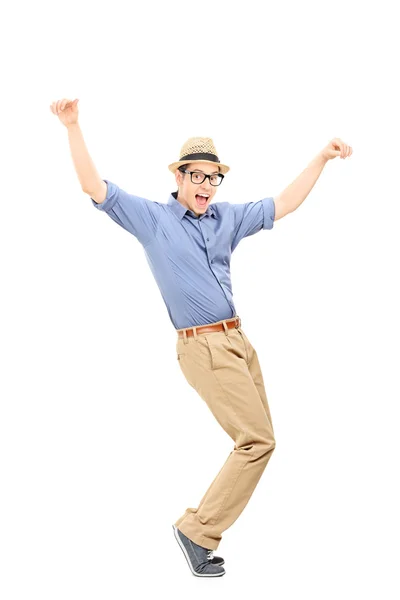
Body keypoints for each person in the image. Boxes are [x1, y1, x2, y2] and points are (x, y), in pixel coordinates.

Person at [50, 97, 353, 578]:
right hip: (202, 346)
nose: (206, 185)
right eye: (197, 176)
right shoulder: (153, 220)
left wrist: (321, 157)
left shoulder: (227, 218)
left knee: (261, 440)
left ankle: (199, 529)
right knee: (255, 441)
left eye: (214, 177)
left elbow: (285, 203)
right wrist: (73, 126)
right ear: (179, 177)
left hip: (239, 341)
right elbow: (93, 186)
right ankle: (197, 530)